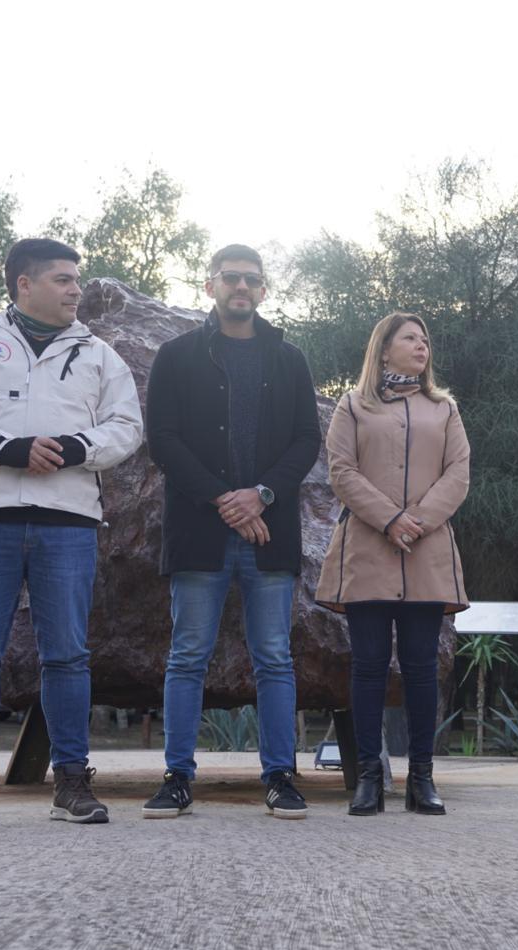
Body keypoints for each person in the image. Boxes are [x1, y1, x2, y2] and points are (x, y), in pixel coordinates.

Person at [0, 238, 144, 826]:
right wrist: (5, 448)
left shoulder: (99, 355)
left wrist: (76, 448)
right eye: (64, 280)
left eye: (76, 280)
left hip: (67, 521)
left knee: (67, 655)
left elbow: (126, 426)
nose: (76, 290)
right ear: (25, 284)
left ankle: (72, 783)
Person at [143, 244, 321, 819]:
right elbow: (163, 439)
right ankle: (176, 777)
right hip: (200, 529)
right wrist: (224, 498)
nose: (240, 287)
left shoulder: (289, 359)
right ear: (210, 284)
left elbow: (305, 441)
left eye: (251, 279)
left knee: (273, 657)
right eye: (230, 278)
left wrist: (261, 495)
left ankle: (280, 778)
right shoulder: (177, 356)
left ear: (264, 290)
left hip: (270, 533)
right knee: (187, 655)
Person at [315, 311, 470, 817]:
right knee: (368, 667)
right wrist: (389, 519)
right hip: (368, 551)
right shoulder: (353, 405)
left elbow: (458, 473)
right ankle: (369, 780)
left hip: (426, 553)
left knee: (423, 668)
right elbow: (341, 470)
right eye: (410, 338)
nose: (421, 345)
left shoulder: (444, 409)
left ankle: (422, 778)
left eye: (425, 339)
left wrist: (418, 521)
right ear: (384, 350)